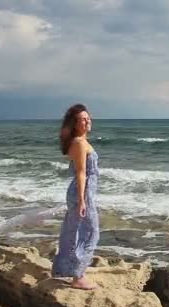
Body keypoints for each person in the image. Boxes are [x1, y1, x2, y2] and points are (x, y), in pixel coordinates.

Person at [52, 104, 100, 290]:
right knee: (89, 232)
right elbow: (81, 173)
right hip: (83, 192)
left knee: (74, 231)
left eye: (88, 118)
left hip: (83, 192)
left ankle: (65, 270)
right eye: (83, 119)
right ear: (75, 123)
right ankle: (78, 277)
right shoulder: (79, 143)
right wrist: (81, 200)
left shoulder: (81, 140)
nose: (87, 121)